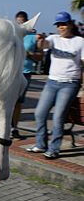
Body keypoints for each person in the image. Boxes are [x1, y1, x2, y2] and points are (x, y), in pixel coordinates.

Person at [26, 11, 84, 159]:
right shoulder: (53, 38)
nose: (61, 27)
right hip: (52, 82)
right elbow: (44, 44)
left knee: (58, 116)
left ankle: (54, 149)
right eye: (58, 25)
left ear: (70, 24)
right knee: (40, 113)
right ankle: (40, 144)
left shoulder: (80, 41)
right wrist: (40, 40)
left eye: (63, 24)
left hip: (70, 83)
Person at [11, 11, 44, 139]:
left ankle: (14, 128)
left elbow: (40, 57)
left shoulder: (33, 37)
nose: (20, 24)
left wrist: (28, 54)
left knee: (19, 102)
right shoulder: (11, 35)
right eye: (18, 22)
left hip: (26, 73)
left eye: (22, 22)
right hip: (11, 72)